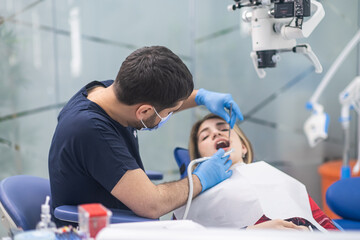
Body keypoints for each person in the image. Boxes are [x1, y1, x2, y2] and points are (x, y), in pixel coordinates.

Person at [48, 46, 243, 226]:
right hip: (100, 232)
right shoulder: (91, 131)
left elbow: (158, 103)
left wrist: (200, 97)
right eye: (169, 113)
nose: (169, 116)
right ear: (143, 112)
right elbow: (152, 205)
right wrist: (200, 179)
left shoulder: (110, 92)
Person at [174, 113, 339, 231]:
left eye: (224, 128)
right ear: (199, 156)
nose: (216, 133)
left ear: (244, 147)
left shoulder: (274, 177)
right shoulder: (189, 199)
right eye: (205, 136)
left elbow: (324, 226)